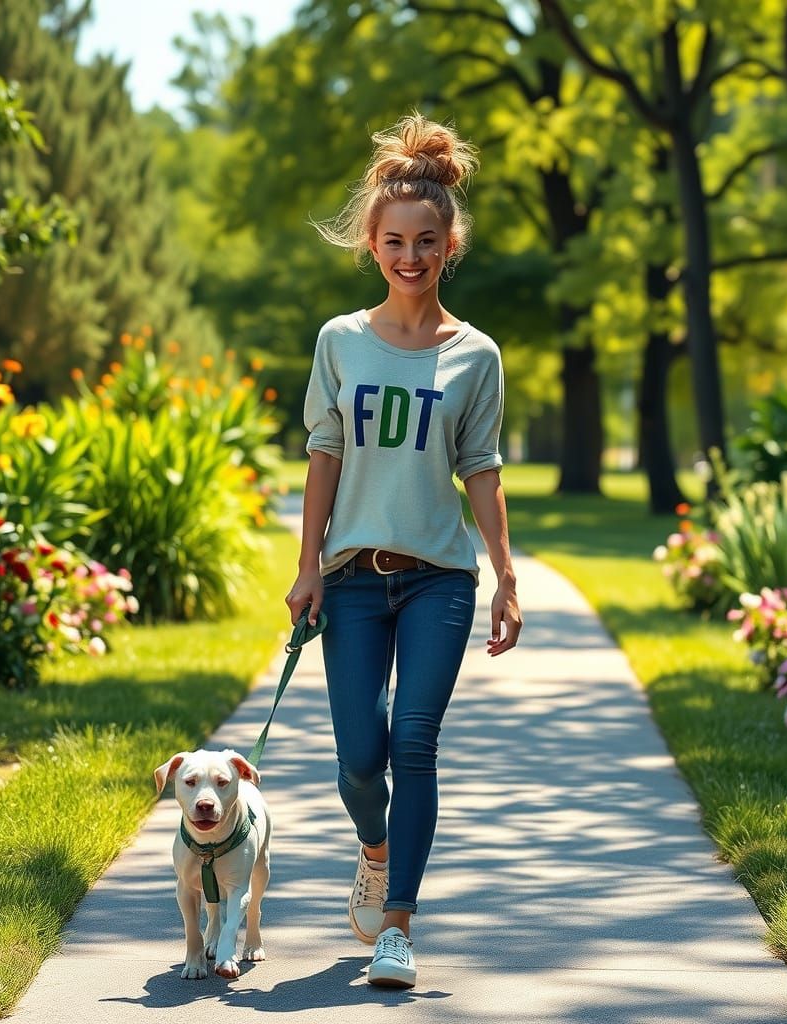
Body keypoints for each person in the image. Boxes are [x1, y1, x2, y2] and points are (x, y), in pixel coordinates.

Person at [285, 111, 522, 990]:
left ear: (450, 242)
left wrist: (505, 576)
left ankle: (398, 928)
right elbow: (323, 457)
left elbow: (483, 471)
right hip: (351, 581)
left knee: (413, 743)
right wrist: (308, 566)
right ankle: (376, 848)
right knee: (358, 759)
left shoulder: (477, 355)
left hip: (439, 582)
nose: (411, 256)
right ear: (372, 244)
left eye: (427, 240)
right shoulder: (340, 342)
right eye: (394, 241)